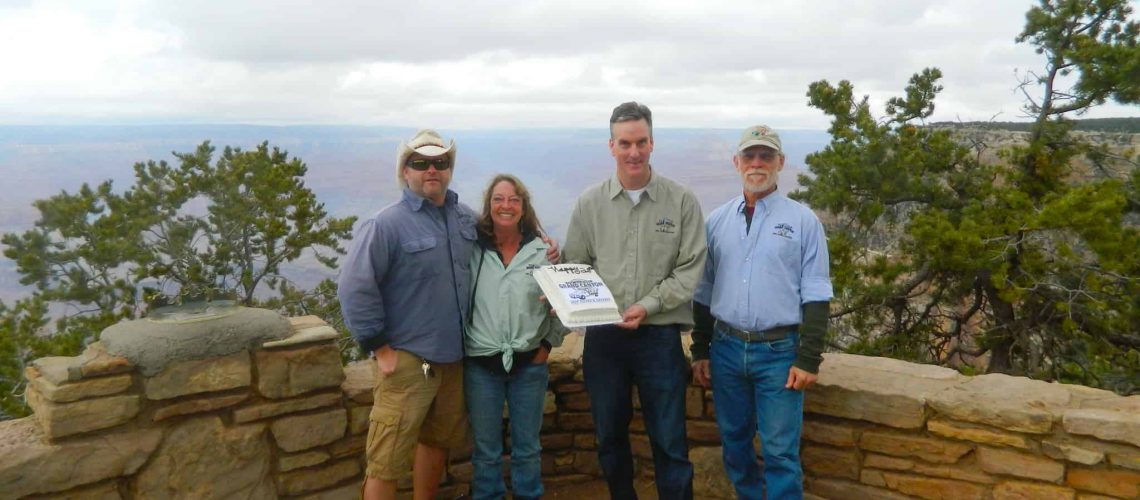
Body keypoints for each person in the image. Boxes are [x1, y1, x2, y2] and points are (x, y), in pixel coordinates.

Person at [562, 101, 706, 500]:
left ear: (652, 142)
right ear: (611, 146)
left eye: (641, 142)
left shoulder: (680, 202)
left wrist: (648, 305)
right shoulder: (589, 204)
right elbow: (576, 267)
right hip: (604, 340)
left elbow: (690, 269)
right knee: (609, 437)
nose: (633, 152)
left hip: (659, 338)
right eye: (625, 143)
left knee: (670, 442)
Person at [689, 125, 833, 500]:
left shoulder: (804, 222)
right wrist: (700, 350)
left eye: (766, 156)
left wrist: (809, 358)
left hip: (780, 354)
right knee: (734, 442)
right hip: (725, 348)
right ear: (736, 162)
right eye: (749, 156)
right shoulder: (717, 221)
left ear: (780, 163)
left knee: (780, 451)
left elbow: (816, 292)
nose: (757, 163)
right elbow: (704, 291)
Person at [464, 174, 569, 500]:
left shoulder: (543, 253)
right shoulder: (472, 250)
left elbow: (564, 305)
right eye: (498, 199)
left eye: (513, 199)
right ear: (489, 205)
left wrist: (547, 346)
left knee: (527, 448)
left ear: (523, 207)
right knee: (485, 450)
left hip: (529, 365)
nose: (505, 205)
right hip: (481, 364)